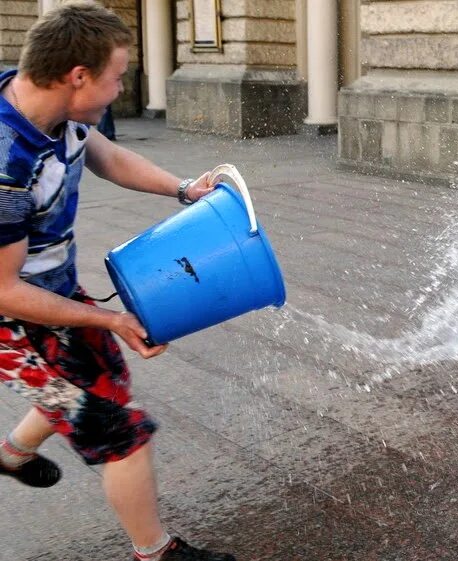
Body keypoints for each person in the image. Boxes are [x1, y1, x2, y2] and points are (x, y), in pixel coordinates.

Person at [0, 2, 234, 560]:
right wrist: (108, 317)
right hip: (13, 323)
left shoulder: (51, 104)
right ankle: (156, 552)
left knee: (95, 380)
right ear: (77, 75)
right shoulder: (8, 171)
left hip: (49, 291)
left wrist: (183, 190)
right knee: (119, 429)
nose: (119, 88)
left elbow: (104, 155)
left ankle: (12, 453)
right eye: (117, 77)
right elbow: (4, 290)